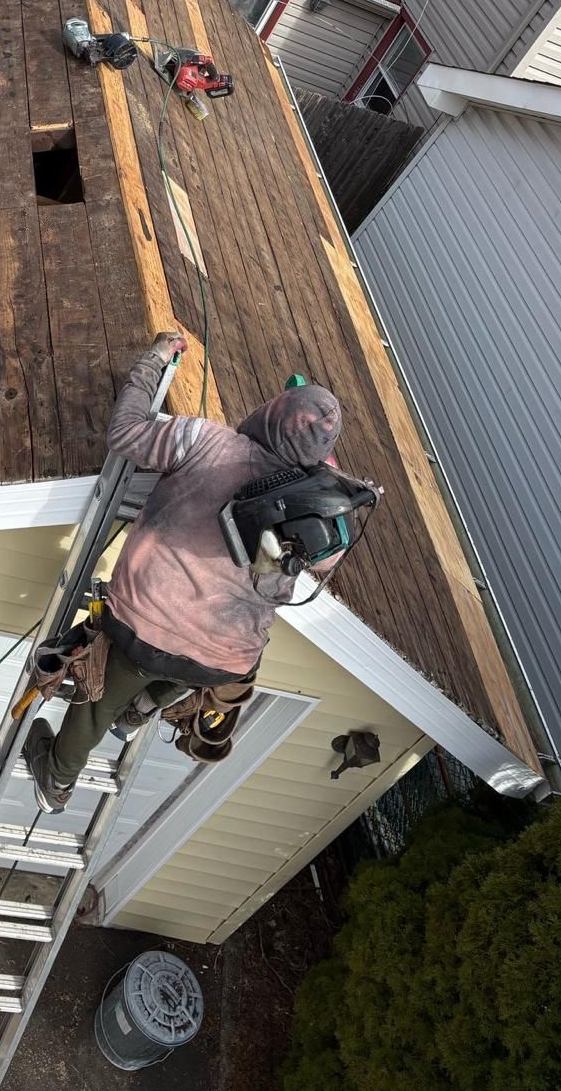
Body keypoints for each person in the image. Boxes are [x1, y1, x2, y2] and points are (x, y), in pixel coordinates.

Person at [24, 332, 343, 812]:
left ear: (273, 412)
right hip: (226, 660)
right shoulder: (317, 506)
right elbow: (326, 559)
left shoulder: (206, 442)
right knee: (205, 665)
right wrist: (319, 480)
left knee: (97, 701)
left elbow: (127, 432)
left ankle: (57, 779)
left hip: (145, 629)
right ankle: (143, 709)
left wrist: (153, 363)